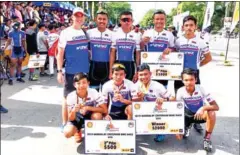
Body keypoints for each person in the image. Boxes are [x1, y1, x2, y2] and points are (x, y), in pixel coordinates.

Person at [171, 15, 213, 132]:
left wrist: (198, 65)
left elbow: (208, 58)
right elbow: (173, 55)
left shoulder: (201, 42)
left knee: (196, 98)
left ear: (195, 27)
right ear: (183, 27)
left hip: (194, 74)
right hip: (179, 75)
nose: (189, 28)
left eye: (191, 25)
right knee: (181, 99)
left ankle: (197, 122)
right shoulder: (178, 41)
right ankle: (184, 122)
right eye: (186, 25)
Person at [57, 7, 89, 132]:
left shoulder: (86, 33)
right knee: (67, 98)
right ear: (72, 17)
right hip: (71, 72)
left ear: (84, 18)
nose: (79, 18)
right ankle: (65, 123)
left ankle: (80, 124)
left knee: (82, 98)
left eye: (81, 16)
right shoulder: (65, 32)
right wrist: (59, 72)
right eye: (77, 16)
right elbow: (60, 54)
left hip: (84, 72)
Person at [176, 68, 219, 152]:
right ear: (182, 81)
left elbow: (216, 106)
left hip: (200, 115)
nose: (189, 82)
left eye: (191, 79)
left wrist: (203, 108)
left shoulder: (201, 89)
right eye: (186, 80)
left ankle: (207, 139)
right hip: (187, 115)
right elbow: (177, 110)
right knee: (180, 135)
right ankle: (187, 126)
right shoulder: (180, 91)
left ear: (196, 80)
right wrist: (178, 129)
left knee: (212, 113)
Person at [133, 63, 175, 142]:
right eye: (141, 75)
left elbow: (173, 98)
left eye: (146, 74)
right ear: (137, 75)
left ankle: (161, 131)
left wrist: (164, 100)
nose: (143, 77)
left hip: (157, 111)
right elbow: (132, 103)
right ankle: (139, 127)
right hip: (144, 111)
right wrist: (139, 98)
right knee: (129, 109)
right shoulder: (135, 86)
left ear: (150, 74)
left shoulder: (158, 86)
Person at [63, 72, 107, 143]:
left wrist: (88, 108)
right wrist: (74, 110)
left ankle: (92, 132)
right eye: (78, 83)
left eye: (84, 82)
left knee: (97, 116)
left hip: (90, 115)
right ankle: (77, 130)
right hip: (77, 118)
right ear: (74, 85)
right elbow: (70, 118)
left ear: (88, 83)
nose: (81, 85)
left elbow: (104, 110)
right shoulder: (71, 96)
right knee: (67, 133)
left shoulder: (93, 92)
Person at [141, 10, 175, 87]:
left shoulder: (169, 34)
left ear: (165, 20)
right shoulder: (147, 32)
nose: (159, 21)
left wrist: (170, 50)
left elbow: (173, 49)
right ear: (153, 20)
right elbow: (140, 48)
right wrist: (143, 42)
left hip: (163, 67)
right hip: (148, 67)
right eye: (157, 19)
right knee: (147, 90)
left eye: (162, 19)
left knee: (162, 90)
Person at [109, 11, 141, 81]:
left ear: (132, 21)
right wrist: (110, 71)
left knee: (130, 88)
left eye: (129, 20)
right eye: (124, 20)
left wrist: (138, 71)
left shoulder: (137, 35)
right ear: (120, 21)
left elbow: (138, 55)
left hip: (131, 65)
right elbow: (112, 53)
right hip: (118, 64)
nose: (126, 22)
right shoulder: (114, 34)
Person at [87, 10, 113, 88]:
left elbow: (113, 53)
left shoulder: (112, 34)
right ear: (95, 19)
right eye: (100, 19)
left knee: (107, 95)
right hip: (93, 66)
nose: (102, 21)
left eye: (104, 19)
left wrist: (111, 70)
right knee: (94, 93)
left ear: (107, 20)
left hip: (106, 67)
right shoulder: (89, 33)